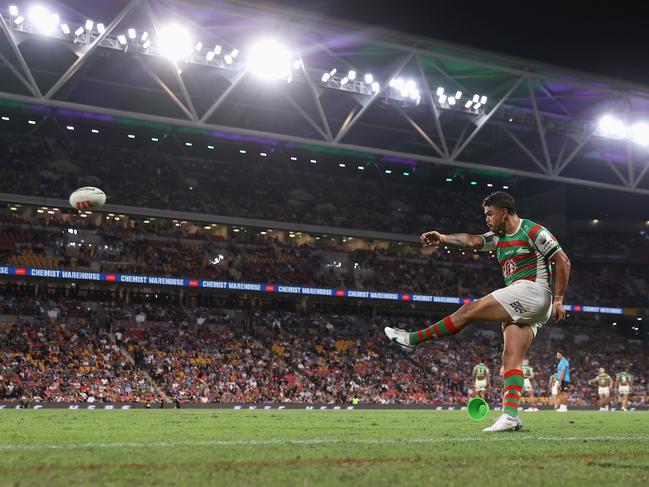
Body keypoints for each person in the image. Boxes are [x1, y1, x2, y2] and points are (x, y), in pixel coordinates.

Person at [385, 192, 571, 432]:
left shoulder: (532, 231)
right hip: (528, 304)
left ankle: (411, 340)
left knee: (469, 310)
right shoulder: (498, 238)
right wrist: (442, 237)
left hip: (533, 291)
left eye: (490, 214)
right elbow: (471, 241)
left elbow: (563, 261)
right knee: (511, 358)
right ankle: (510, 416)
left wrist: (558, 300)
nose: (487, 219)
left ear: (504, 212)